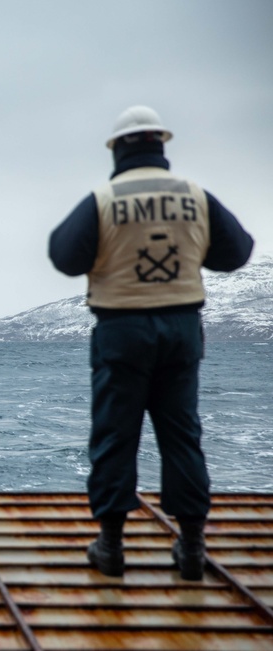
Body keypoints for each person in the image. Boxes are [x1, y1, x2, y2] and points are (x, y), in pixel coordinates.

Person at [49, 106, 253, 580]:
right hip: (181, 331)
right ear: (160, 144)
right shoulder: (194, 196)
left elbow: (64, 255)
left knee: (115, 435)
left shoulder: (104, 198)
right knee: (182, 435)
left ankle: (112, 546)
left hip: (121, 331)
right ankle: (193, 547)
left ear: (118, 148)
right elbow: (237, 252)